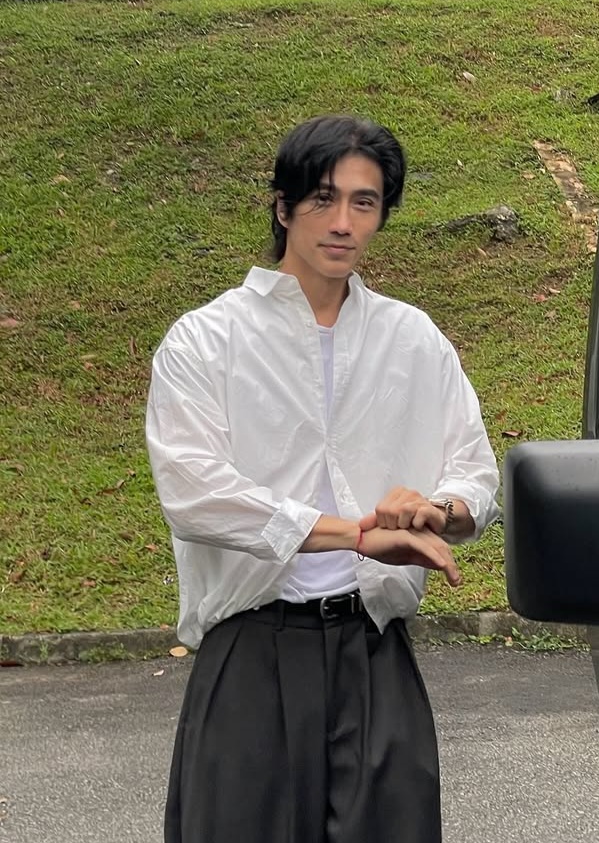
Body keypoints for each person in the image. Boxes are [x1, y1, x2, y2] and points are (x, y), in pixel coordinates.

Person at [145, 113, 500, 843]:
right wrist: (354, 535)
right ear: (283, 206)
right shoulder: (206, 341)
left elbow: (474, 471)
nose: (342, 222)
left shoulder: (413, 339)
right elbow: (195, 492)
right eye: (322, 198)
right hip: (251, 649)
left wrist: (436, 512)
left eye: (364, 202)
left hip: (374, 652)